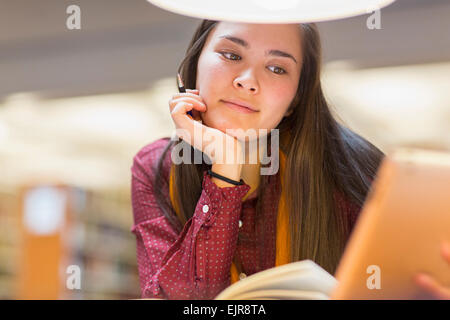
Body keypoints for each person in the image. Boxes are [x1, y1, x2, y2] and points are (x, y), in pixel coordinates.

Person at [130, 20, 449, 300]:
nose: (247, 80)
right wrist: (225, 168)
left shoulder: (353, 170)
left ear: (296, 98)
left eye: (277, 68)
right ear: (193, 65)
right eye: (231, 55)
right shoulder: (158, 167)